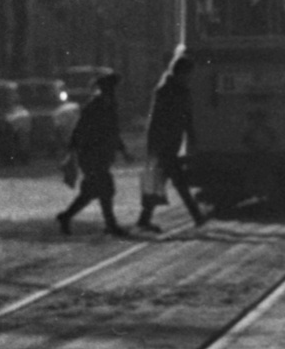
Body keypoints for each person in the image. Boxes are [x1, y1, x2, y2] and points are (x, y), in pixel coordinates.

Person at [135, 52, 207, 232]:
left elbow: (186, 118)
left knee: (160, 181)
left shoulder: (176, 89)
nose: (190, 78)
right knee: (177, 182)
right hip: (164, 144)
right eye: (188, 74)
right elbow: (158, 120)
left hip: (168, 144)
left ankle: (144, 219)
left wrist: (190, 137)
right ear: (181, 73)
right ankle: (197, 216)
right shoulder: (167, 91)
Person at [57, 71, 129, 236]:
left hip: (100, 155)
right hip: (91, 154)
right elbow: (81, 128)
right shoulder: (96, 105)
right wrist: (73, 150)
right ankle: (110, 225)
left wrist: (123, 150)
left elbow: (113, 132)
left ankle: (66, 216)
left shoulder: (109, 104)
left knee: (93, 191)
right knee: (105, 188)